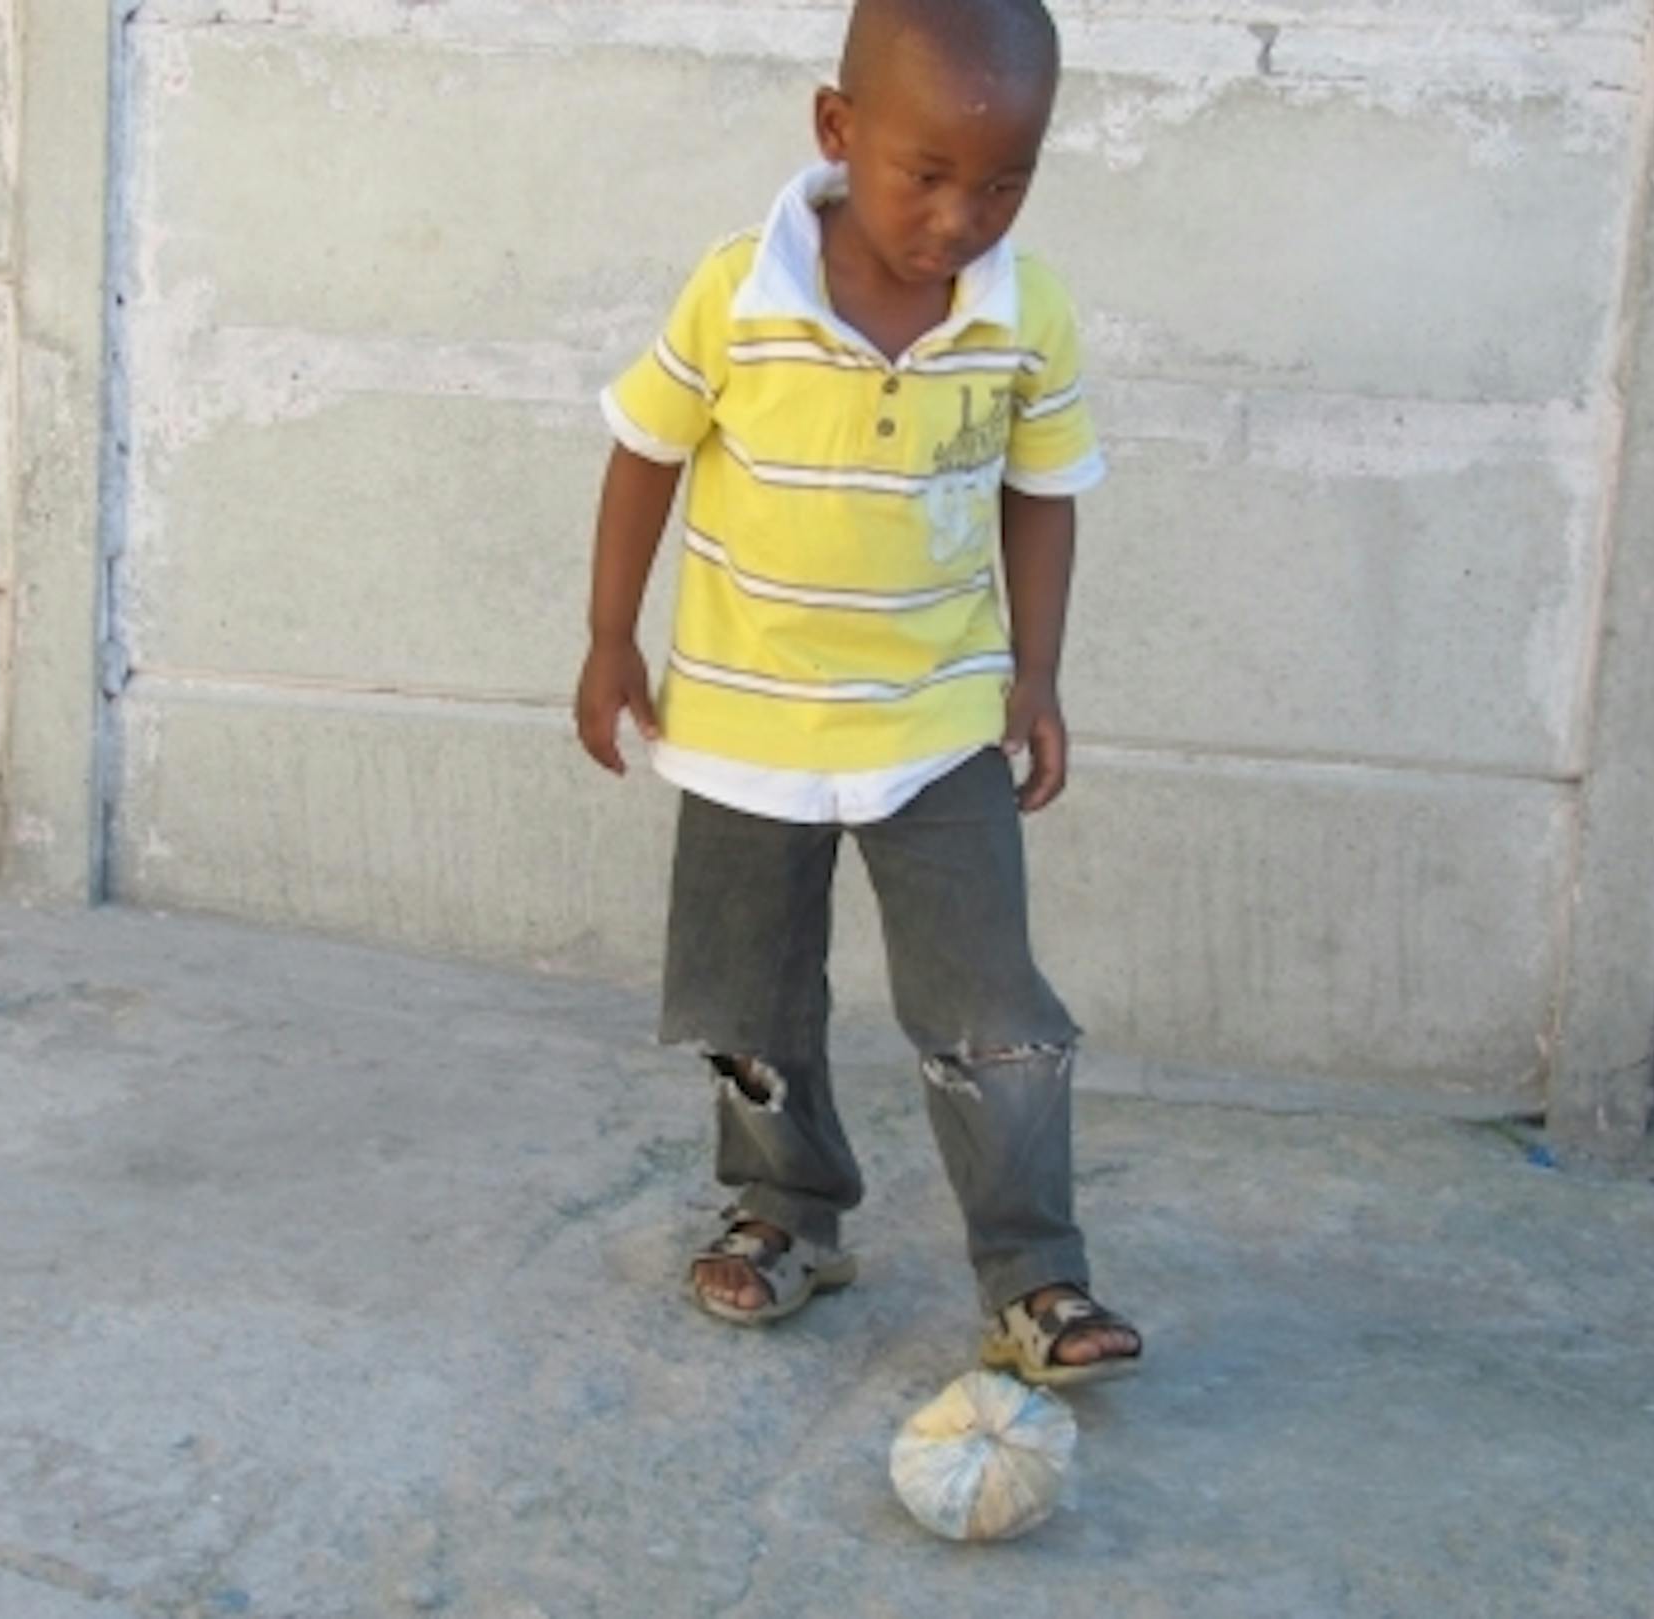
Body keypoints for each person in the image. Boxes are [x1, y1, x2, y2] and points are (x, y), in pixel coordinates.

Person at [571, 0, 1141, 1386]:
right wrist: (608, 637)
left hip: (937, 726)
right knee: (745, 1002)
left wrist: (1038, 672)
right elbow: (645, 453)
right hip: (742, 726)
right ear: (838, 130)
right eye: (926, 175)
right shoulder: (736, 293)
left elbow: (1043, 493)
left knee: (990, 1007)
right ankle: (785, 1212)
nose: (960, 219)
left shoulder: (1026, 313)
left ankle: (1035, 1275)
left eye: (1003, 182)